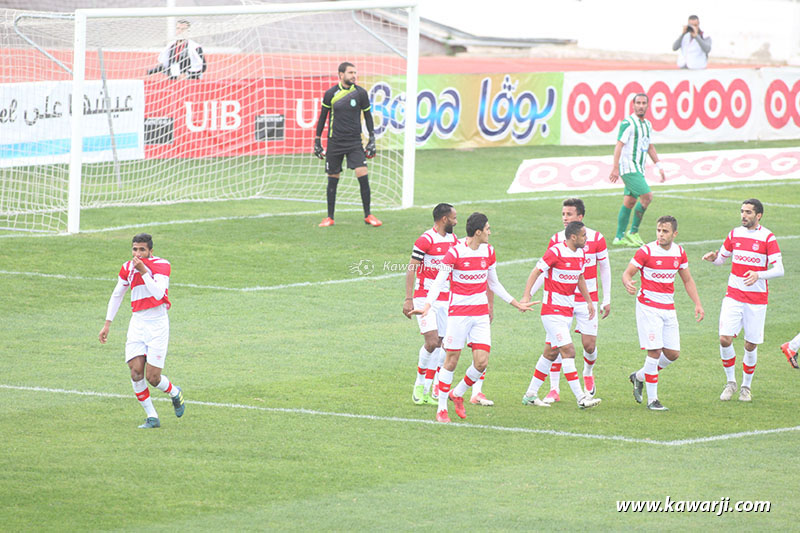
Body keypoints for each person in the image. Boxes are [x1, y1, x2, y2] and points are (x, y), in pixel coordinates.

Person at [410, 212, 536, 423]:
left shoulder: (489, 252)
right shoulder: (455, 253)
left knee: (481, 363)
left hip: (480, 315)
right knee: (451, 361)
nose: (490, 232)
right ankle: (441, 409)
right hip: (458, 314)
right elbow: (440, 282)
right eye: (487, 229)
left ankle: (457, 393)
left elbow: (494, 283)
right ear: (478, 232)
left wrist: (516, 304)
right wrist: (427, 306)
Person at [527, 198, 611, 403]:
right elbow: (540, 271)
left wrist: (596, 300)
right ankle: (570, 394)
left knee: (577, 347)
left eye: (569, 214)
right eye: (563, 214)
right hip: (554, 307)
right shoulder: (556, 244)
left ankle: (530, 394)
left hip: (577, 303)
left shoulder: (589, 244)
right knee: (565, 348)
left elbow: (593, 272)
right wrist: (527, 295)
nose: (565, 218)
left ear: (580, 217)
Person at [98, 233, 185, 429]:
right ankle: (152, 416)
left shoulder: (162, 265)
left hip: (158, 324)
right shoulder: (127, 268)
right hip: (137, 323)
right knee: (136, 372)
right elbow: (117, 294)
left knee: (153, 378)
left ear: (150, 251)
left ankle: (174, 392)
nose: (137, 254)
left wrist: (144, 271)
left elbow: (158, 294)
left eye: (142, 250)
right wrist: (107, 324)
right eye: (135, 249)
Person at [703, 199, 784, 401]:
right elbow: (722, 259)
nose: (743, 215)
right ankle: (730, 382)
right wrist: (714, 259)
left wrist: (759, 275)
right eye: (742, 211)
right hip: (734, 295)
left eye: (748, 212)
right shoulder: (734, 233)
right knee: (724, 338)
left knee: (750, 345)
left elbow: (779, 270)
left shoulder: (768, 237)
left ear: (759, 216)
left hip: (756, 300)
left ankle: (746, 387)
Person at [624, 216, 704, 411]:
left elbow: (687, 280)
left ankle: (639, 377)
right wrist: (627, 281)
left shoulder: (679, 252)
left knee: (672, 353)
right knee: (655, 351)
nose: (660, 234)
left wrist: (698, 304)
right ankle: (653, 400)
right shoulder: (646, 251)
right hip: (648, 306)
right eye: (659, 230)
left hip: (668, 308)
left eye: (665, 231)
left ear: (674, 234)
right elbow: (628, 272)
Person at [403, 203, 459, 406]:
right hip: (424, 297)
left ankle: (430, 388)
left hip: (446, 298)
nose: (456, 221)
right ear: (444, 219)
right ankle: (419, 384)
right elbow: (411, 269)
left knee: (443, 343)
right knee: (432, 341)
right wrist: (408, 298)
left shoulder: (453, 240)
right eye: (454, 218)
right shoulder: (425, 240)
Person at [314, 62, 381, 228]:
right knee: (333, 179)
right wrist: (317, 140)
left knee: (362, 175)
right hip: (334, 142)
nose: (354, 75)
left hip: (354, 142)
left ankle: (368, 215)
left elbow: (368, 116)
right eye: (350, 72)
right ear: (340, 74)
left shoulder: (360, 93)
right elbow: (323, 117)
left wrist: (372, 139)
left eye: (355, 72)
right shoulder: (331, 93)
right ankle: (330, 217)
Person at [609, 93, 666, 248]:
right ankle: (633, 232)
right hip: (628, 168)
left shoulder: (647, 125)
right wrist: (615, 168)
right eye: (638, 103)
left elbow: (649, 147)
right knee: (647, 196)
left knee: (630, 201)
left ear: (647, 105)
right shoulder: (628, 123)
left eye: (644, 103)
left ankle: (619, 237)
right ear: (633, 105)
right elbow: (619, 145)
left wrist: (659, 166)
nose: (641, 105)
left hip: (639, 169)